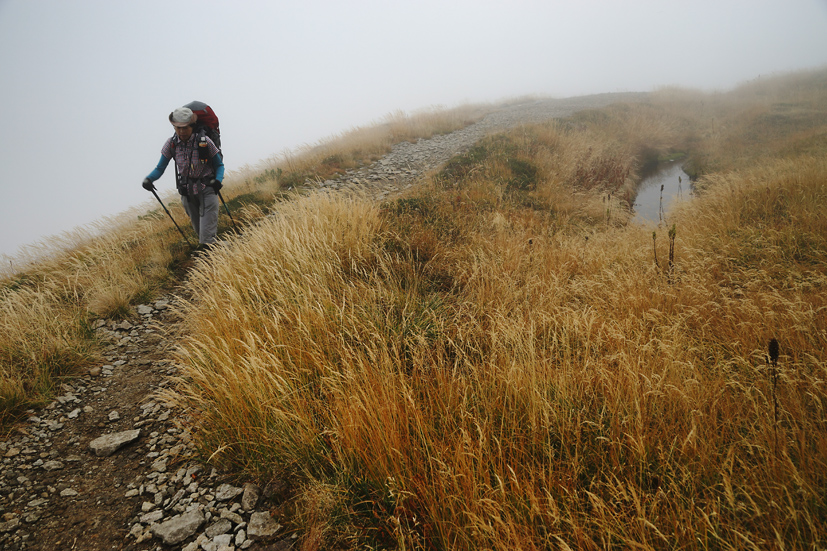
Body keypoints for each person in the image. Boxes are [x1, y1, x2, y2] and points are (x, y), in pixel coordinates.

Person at [142, 106, 225, 247]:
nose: (181, 131)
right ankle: (224, 253)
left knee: (206, 241)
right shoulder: (171, 144)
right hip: (187, 193)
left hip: (207, 190)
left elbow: (219, 165)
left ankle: (212, 257)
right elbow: (160, 168)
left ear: (192, 126)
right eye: (177, 128)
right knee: (202, 234)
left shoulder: (204, 142)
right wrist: (149, 179)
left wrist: (218, 181)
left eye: (185, 127)